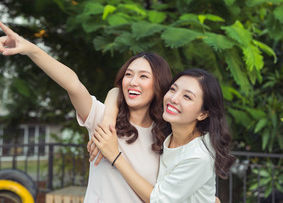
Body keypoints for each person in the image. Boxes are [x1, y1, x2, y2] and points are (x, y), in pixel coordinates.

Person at [0, 18, 172, 202]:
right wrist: (31, 49)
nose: (133, 82)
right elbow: (73, 85)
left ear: (159, 84)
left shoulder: (166, 136)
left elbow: (158, 197)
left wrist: (115, 155)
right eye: (128, 74)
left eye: (143, 76)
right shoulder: (102, 119)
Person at [93, 68, 236, 202]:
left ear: (203, 113)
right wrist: (107, 122)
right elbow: (116, 92)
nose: (174, 98)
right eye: (173, 89)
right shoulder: (164, 127)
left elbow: (158, 199)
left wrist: (115, 156)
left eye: (187, 97)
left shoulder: (199, 156)